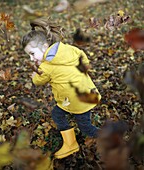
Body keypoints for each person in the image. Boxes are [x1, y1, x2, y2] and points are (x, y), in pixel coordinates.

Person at [22, 28, 101, 159]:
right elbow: (83, 57)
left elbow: (38, 81)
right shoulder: (67, 48)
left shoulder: (46, 66)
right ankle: (71, 141)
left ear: (44, 46)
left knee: (85, 127)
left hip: (77, 101)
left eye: (32, 53)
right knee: (57, 113)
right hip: (88, 92)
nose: (31, 59)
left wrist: (35, 74)